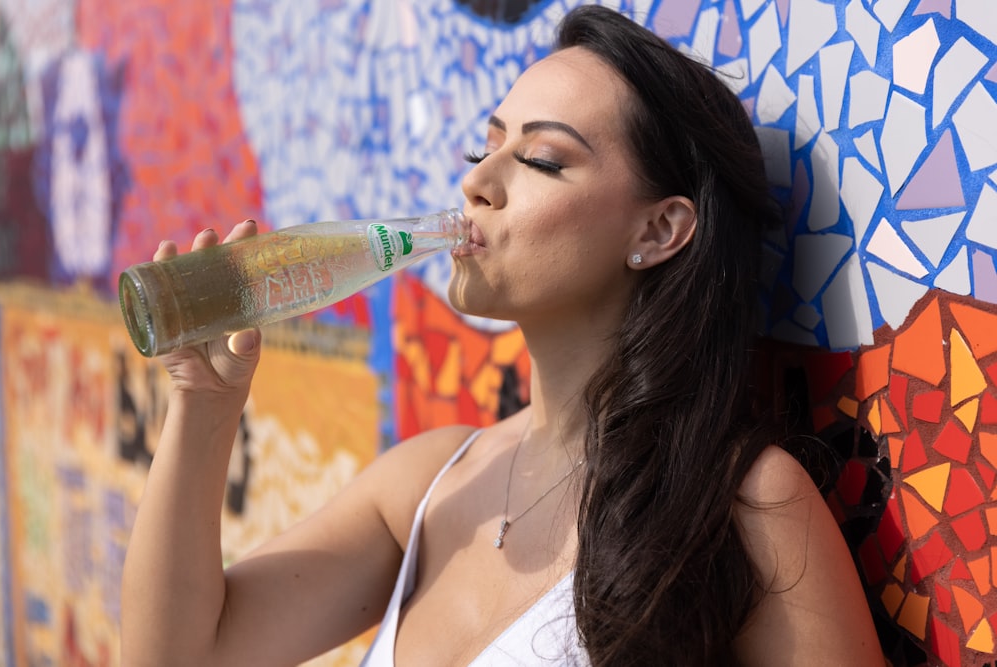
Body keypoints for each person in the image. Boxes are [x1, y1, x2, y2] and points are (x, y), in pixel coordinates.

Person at [121, 5, 883, 666]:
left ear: (659, 228)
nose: (477, 182)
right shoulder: (429, 481)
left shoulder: (746, 504)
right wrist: (204, 406)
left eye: (542, 159)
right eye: (481, 149)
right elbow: (180, 653)